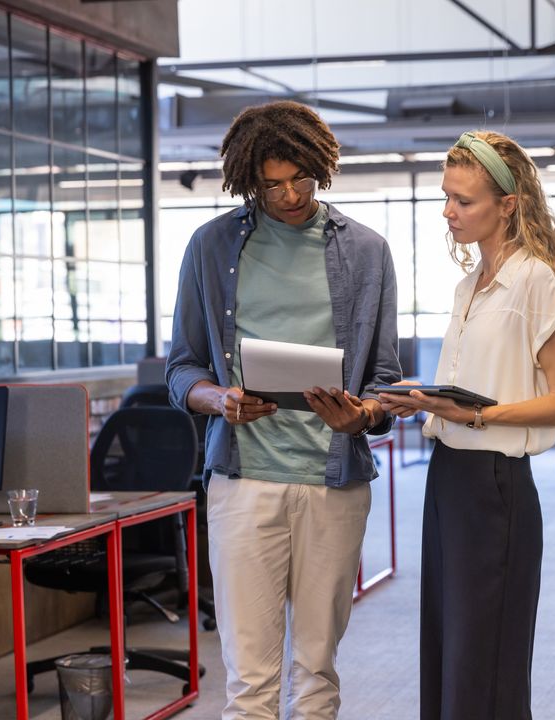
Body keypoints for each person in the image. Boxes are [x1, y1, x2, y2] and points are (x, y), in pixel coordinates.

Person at [165, 100, 400, 720]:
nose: (290, 194)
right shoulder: (212, 247)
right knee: (249, 680)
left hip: (333, 485)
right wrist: (219, 399)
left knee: (317, 669)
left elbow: (385, 380)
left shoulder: (368, 252)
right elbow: (181, 367)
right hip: (244, 484)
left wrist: (365, 415)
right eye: (271, 184)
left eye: (300, 177)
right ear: (249, 180)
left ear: (321, 165)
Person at [378, 130, 555, 720]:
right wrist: (423, 400)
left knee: (485, 661)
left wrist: (473, 413)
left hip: (496, 486)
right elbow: (474, 384)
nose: (449, 212)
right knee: (449, 650)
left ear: (508, 204)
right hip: (448, 481)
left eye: (463, 200)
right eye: (446, 197)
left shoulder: (534, 281)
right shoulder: (468, 285)